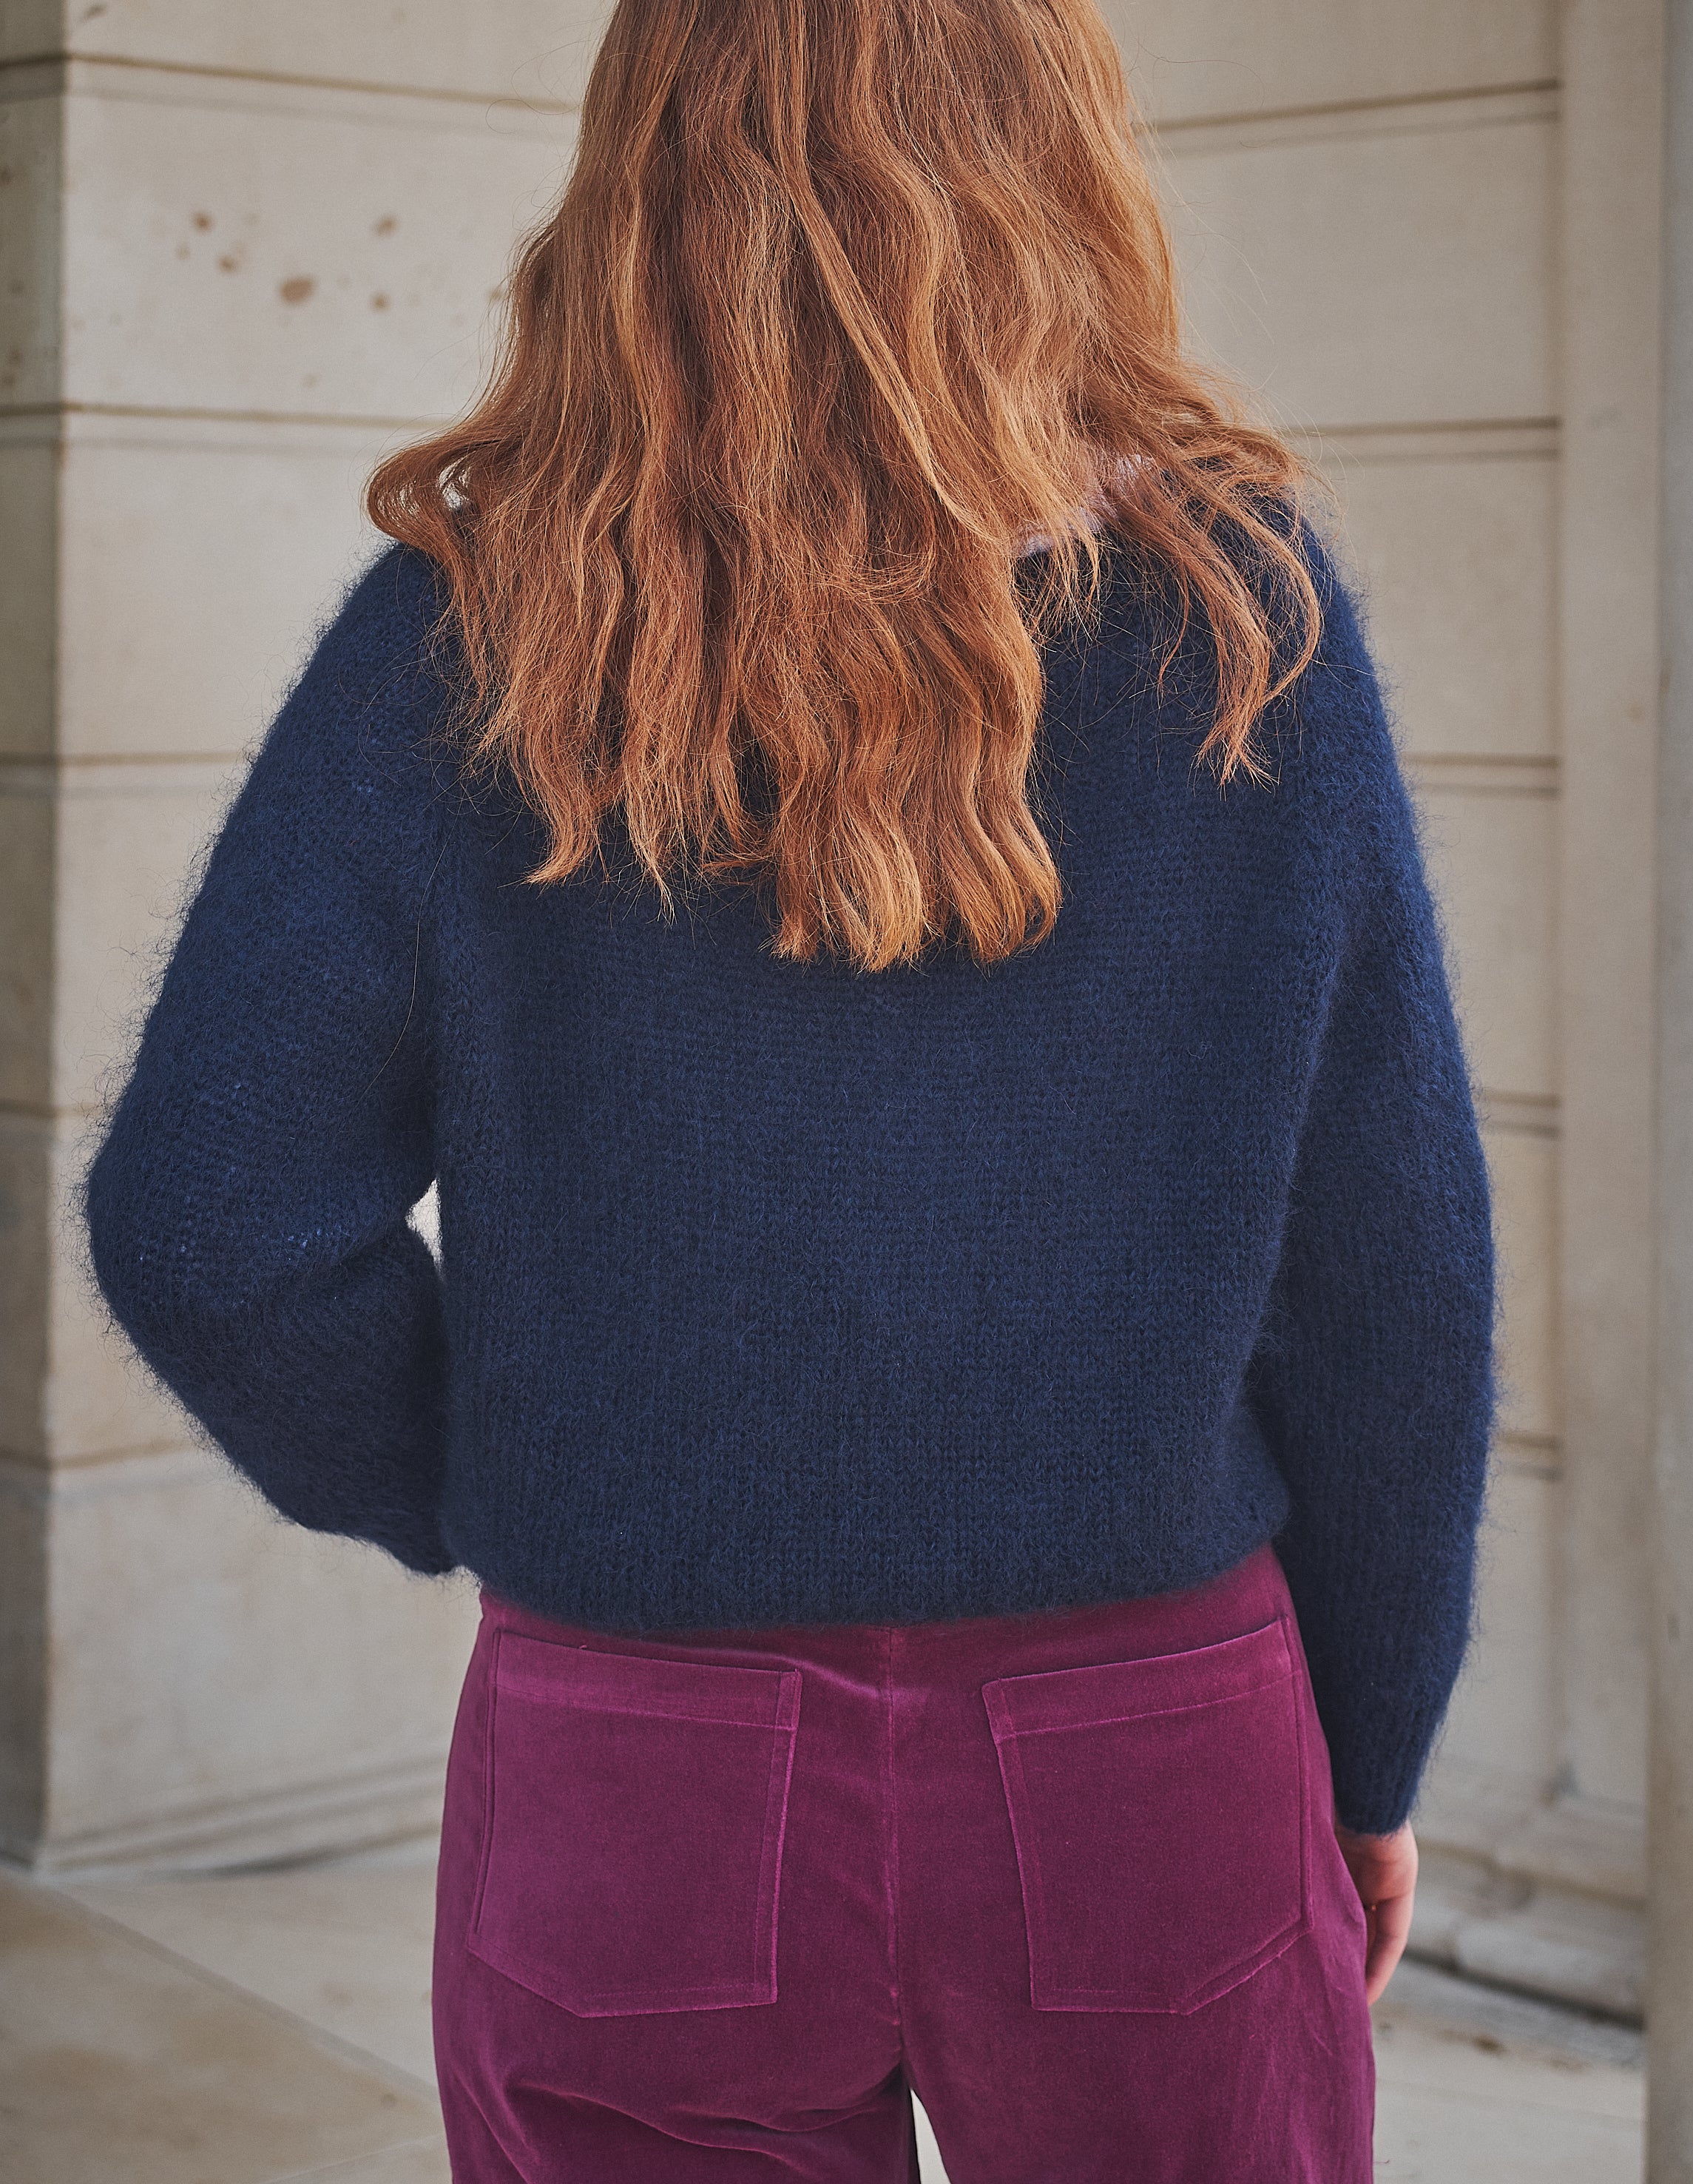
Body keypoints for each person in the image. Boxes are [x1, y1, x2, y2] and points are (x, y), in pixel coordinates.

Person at [84, 1, 1494, 2177]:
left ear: (643, 170)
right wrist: (1370, 1749)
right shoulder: (1241, 619)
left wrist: (516, 1480)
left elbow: (208, 1222)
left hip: (637, 1736)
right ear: (1056, 161)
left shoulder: (468, 627)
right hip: (1151, 1748)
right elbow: (1389, 1271)